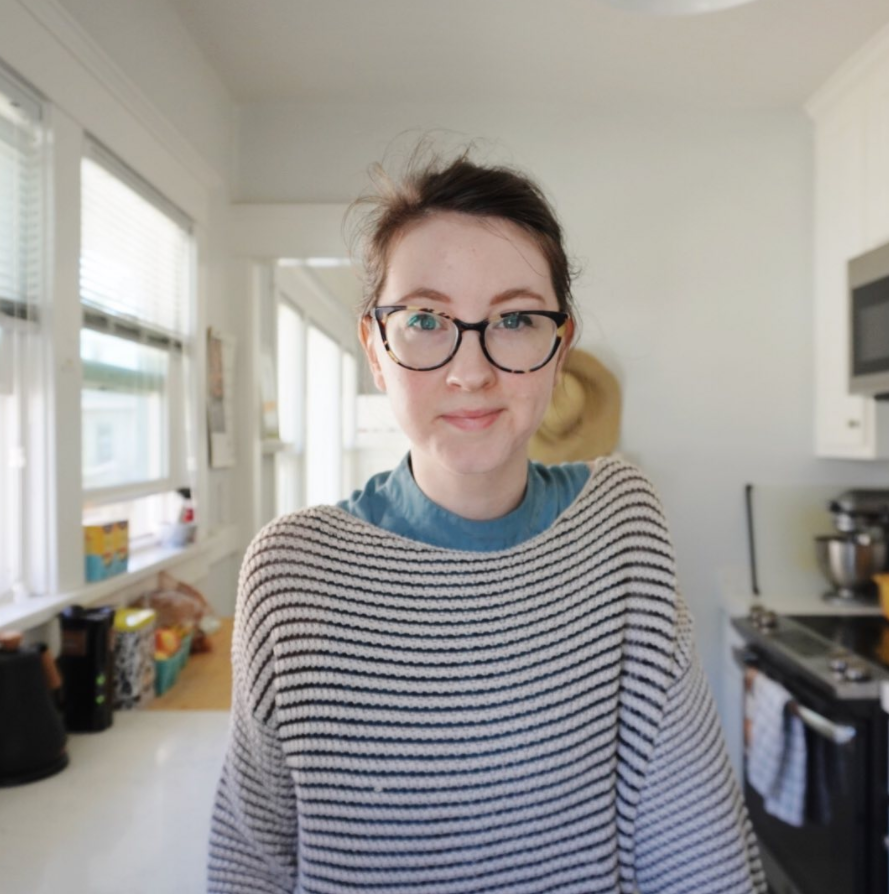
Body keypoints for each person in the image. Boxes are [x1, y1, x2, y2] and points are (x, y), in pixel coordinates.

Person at [208, 147, 766, 894]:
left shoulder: (621, 523)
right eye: (424, 319)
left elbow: (690, 833)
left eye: (514, 319)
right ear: (375, 348)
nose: (470, 372)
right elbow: (252, 858)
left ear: (559, 348)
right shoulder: (291, 571)